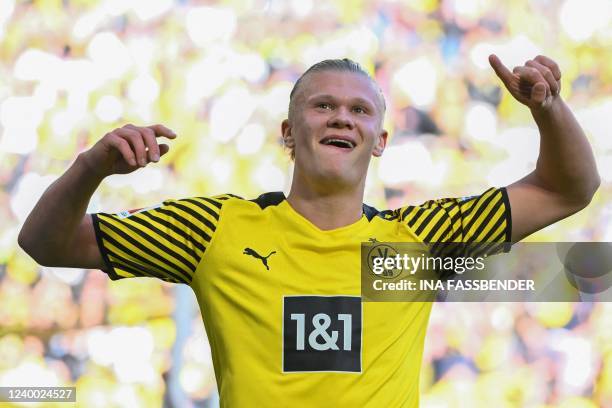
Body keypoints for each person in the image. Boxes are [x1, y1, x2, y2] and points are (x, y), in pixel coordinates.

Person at [18, 54, 599, 406]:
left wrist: (548, 109)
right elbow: (44, 242)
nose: (342, 116)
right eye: (322, 107)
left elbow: (566, 189)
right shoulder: (213, 229)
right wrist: (92, 166)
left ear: (381, 142)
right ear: (289, 133)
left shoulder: (416, 242)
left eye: (360, 111)